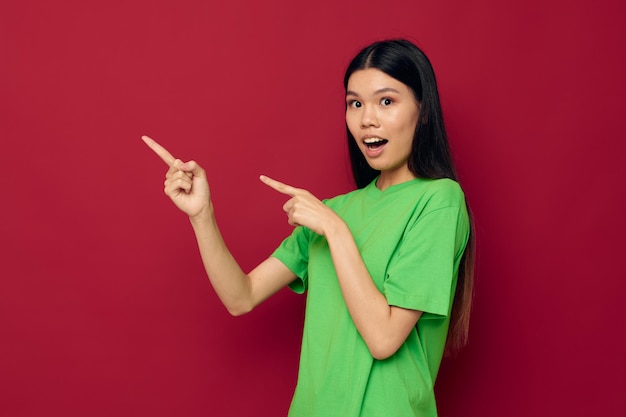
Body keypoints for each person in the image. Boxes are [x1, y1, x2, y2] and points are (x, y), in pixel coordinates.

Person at [143, 39, 474, 417]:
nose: (367, 119)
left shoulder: (438, 201)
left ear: (423, 109)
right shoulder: (333, 211)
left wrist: (334, 231)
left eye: (386, 101)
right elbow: (241, 296)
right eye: (355, 103)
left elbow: (384, 339)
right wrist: (202, 214)